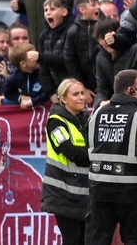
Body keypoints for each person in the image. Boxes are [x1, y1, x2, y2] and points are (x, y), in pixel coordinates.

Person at [86, 69, 137, 244]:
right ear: (130, 90)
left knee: (96, 240)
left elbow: (88, 148)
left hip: (99, 191)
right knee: (135, 240)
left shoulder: (97, 114)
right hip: (131, 193)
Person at [42, 78, 90, 245]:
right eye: (75, 94)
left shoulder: (86, 120)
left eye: (82, 93)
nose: (81, 97)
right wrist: (94, 154)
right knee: (73, 241)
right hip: (63, 195)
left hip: (84, 194)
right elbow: (71, 153)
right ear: (63, 99)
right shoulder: (56, 122)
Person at [64, 0, 101, 96]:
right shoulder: (73, 31)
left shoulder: (105, 26)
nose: (98, 7)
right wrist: (81, 86)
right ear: (82, 10)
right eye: (94, 5)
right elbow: (70, 60)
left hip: (107, 84)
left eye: (98, 3)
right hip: (86, 86)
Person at [3, 42, 50, 107]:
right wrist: (20, 97)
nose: (37, 56)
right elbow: (7, 93)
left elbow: (50, 92)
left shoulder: (45, 71)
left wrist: (32, 101)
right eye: (33, 56)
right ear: (23, 64)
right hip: (30, 114)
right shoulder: (14, 78)